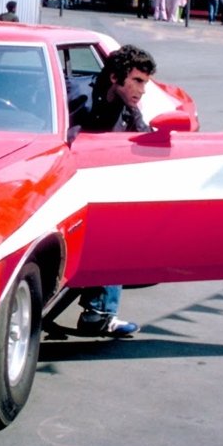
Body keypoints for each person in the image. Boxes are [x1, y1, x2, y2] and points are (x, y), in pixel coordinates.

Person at [70, 44, 157, 336]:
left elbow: (145, 140)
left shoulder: (128, 107)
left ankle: (99, 312)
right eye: (137, 81)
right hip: (56, 185)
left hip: (94, 186)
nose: (142, 90)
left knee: (120, 222)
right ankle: (100, 311)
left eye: (145, 82)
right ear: (115, 78)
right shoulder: (76, 93)